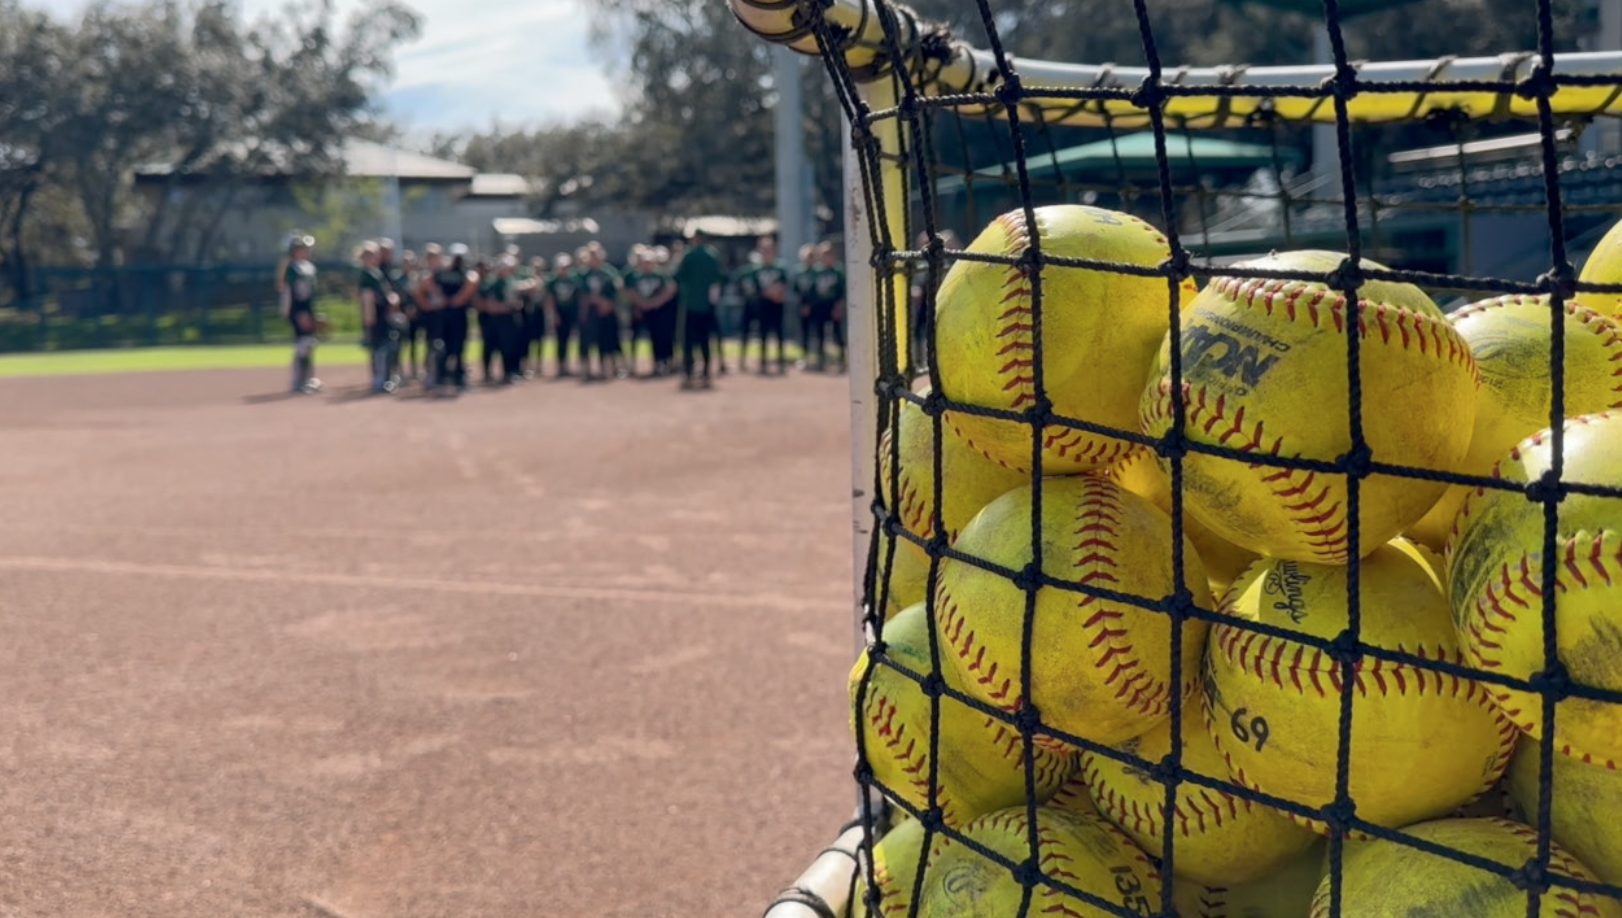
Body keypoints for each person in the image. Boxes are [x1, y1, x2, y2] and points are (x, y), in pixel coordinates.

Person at [673, 228, 725, 389]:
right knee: (705, 340)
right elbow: (718, 279)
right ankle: (706, 373)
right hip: (708, 304)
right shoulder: (713, 255)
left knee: (689, 341)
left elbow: (678, 276)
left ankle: (688, 373)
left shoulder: (689, 255)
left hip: (690, 303)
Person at [625, 246, 678, 377]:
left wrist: (655, 302)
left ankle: (662, 362)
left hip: (658, 312)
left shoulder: (661, 275)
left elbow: (670, 289)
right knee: (634, 336)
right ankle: (632, 364)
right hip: (640, 310)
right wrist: (642, 303)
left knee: (660, 337)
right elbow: (629, 291)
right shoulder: (635, 276)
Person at [279, 233, 322, 394]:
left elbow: (311, 295)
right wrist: (299, 313)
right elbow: (294, 294)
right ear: (295, 251)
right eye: (303, 248)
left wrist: (314, 313)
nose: (306, 251)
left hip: (307, 310)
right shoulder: (293, 269)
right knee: (304, 344)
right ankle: (298, 381)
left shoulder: (308, 267)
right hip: (298, 311)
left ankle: (309, 378)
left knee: (310, 344)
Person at [434, 244, 478, 392]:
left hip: (454, 313)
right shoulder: (447, 273)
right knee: (447, 346)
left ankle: (453, 375)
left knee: (456, 346)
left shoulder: (453, 273)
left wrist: (450, 300)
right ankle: (445, 376)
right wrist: (449, 300)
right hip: (451, 314)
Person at [355, 241, 398, 395]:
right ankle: (380, 380)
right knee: (379, 348)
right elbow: (367, 297)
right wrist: (369, 317)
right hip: (376, 315)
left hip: (383, 314)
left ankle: (384, 378)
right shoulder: (367, 274)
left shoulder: (376, 272)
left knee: (385, 346)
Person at [579, 242, 624, 380]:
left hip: (608, 312)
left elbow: (617, 292)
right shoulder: (583, 274)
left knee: (608, 340)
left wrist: (608, 304)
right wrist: (598, 301)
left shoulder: (609, 273)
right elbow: (582, 294)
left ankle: (609, 368)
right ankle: (586, 370)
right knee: (587, 341)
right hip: (590, 312)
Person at [479, 255, 526, 384]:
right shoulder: (493, 283)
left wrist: (514, 305)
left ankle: (508, 372)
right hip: (495, 319)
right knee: (491, 346)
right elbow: (488, 303)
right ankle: (488, 373)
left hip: (509, 317)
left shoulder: (510, 281)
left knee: (509, 345)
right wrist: (505, 307)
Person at [746, 236, 789, 374]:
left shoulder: (780, 267)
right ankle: (763, 362)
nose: (766, 253)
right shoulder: (756, 270)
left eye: (769, 250)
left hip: (777, 304)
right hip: (763, 305)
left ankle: (780, 361)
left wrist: (775, 293)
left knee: (779, 333)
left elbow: (783, 286)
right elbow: (755, 289)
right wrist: (768, 292)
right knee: (763, 333)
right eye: (763, 250)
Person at [807, 241, 848, 373]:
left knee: (837, 334)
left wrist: (839, 306)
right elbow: (812, 291)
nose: (827, 257)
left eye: (829, 254)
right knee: (820, 334)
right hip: (820, 306)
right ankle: (821, 360)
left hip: (833, 305)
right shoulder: (816, 271)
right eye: (824, 255)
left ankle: (842, 360)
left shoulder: (838, 271)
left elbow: (842, 290)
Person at [414, 244, 447, 388]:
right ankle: (431, 374)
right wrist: (428, 306)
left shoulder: (444, 273)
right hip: (431, 315)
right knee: (433, 344)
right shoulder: (424, 275)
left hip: (444, 314)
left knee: (444, 344)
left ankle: (443, 373)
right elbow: (419, 294)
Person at [545, 253, 582, 378]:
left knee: (576, 339)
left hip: (573, 312)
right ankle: (561, 366)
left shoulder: (574, 280)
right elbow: (549, 300)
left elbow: (580, 297)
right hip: (560, 313)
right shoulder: (552, 281)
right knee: (561, 340)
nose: (564, 269)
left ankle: (576, 364)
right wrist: (553, 315)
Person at [792, 242, 817, 369]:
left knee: (818, 332)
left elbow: (817, 292)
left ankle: (819, 358)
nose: (809, 259)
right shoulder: (799, 272)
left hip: (816, 307)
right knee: (804, 333)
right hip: (801, 307)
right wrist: (803, 305)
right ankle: (804, 357)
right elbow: (795, 290)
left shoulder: (818, 272)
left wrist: (811, 305)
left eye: (812, 256)